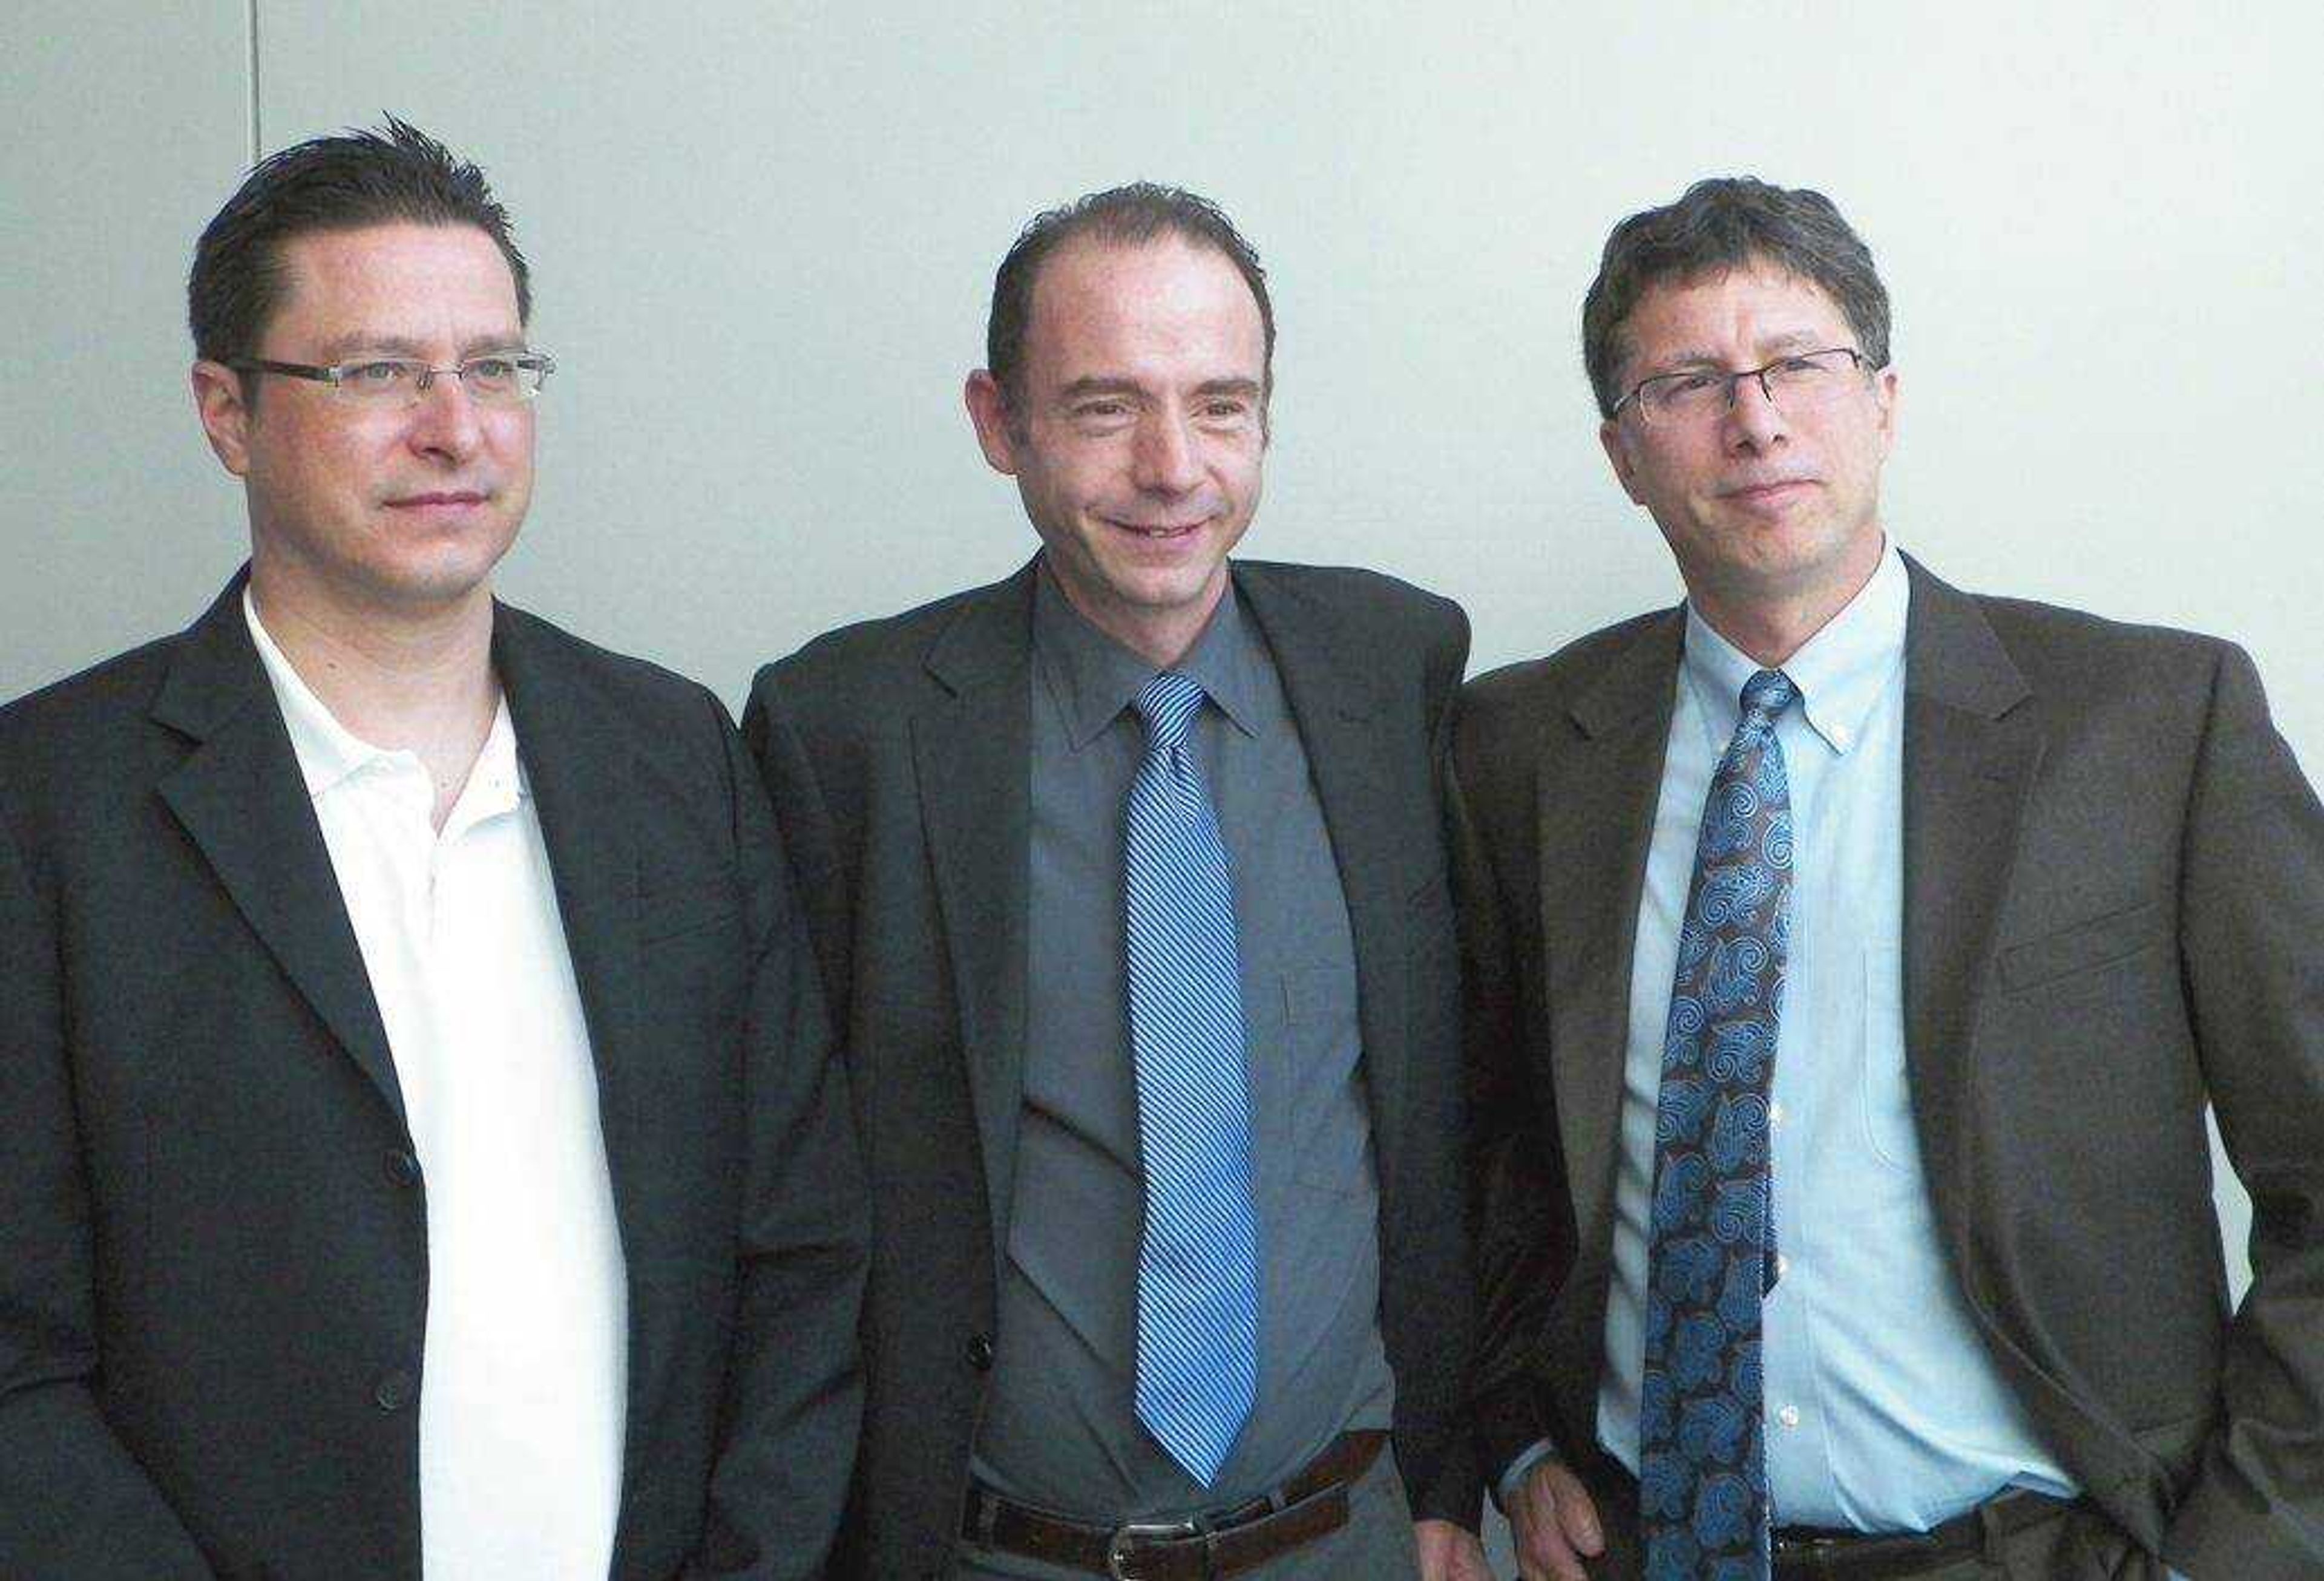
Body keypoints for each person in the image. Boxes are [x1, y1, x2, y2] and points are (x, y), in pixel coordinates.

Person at [0, 119, 866, 1580]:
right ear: (226, 411)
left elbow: (803, 1259)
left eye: (495, 367)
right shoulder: (51, 805)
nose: (454, 427)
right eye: (377, 371)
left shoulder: (676, 759)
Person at [1456, 174, 2324, 1581]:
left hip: (2045, 1550)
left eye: (1799, 362)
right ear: (1622, 452)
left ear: (1886, 398)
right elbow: (1480, 1142)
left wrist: (2248, 1548)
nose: (1757, 419)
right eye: (1688, 381)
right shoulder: (1521, 750)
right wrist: (1513, 1433)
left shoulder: (2155, 724)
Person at [744, 183, 1489, 1580]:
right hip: (996, 1556)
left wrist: (1451, 1465)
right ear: (997, 420)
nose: (1173, 467)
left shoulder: (1393, 668)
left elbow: (1468, 1105)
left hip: (1349, 1540)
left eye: (1220, 404)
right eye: (1105, 408)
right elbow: (774, 1190)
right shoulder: (848, 729)